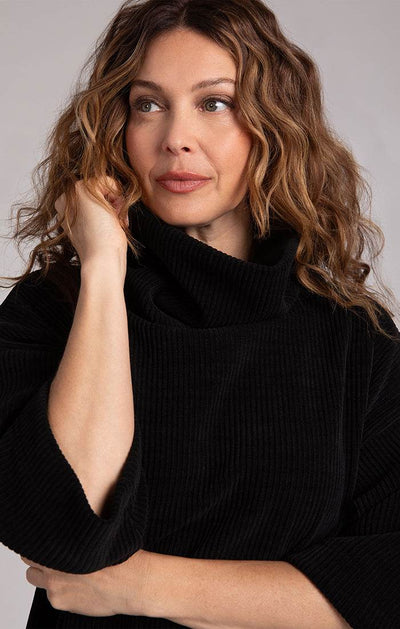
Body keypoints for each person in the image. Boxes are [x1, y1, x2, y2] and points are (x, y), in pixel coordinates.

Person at [1, 0, 399, 627]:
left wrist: (140, 585)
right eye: (147, 104)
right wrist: (102, 272)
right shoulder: (52, 311)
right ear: (118, 126)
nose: (175, 138)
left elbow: (387, 581)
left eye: (214, 103)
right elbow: (67, 533)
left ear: (272, 124)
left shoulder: (355, 337)